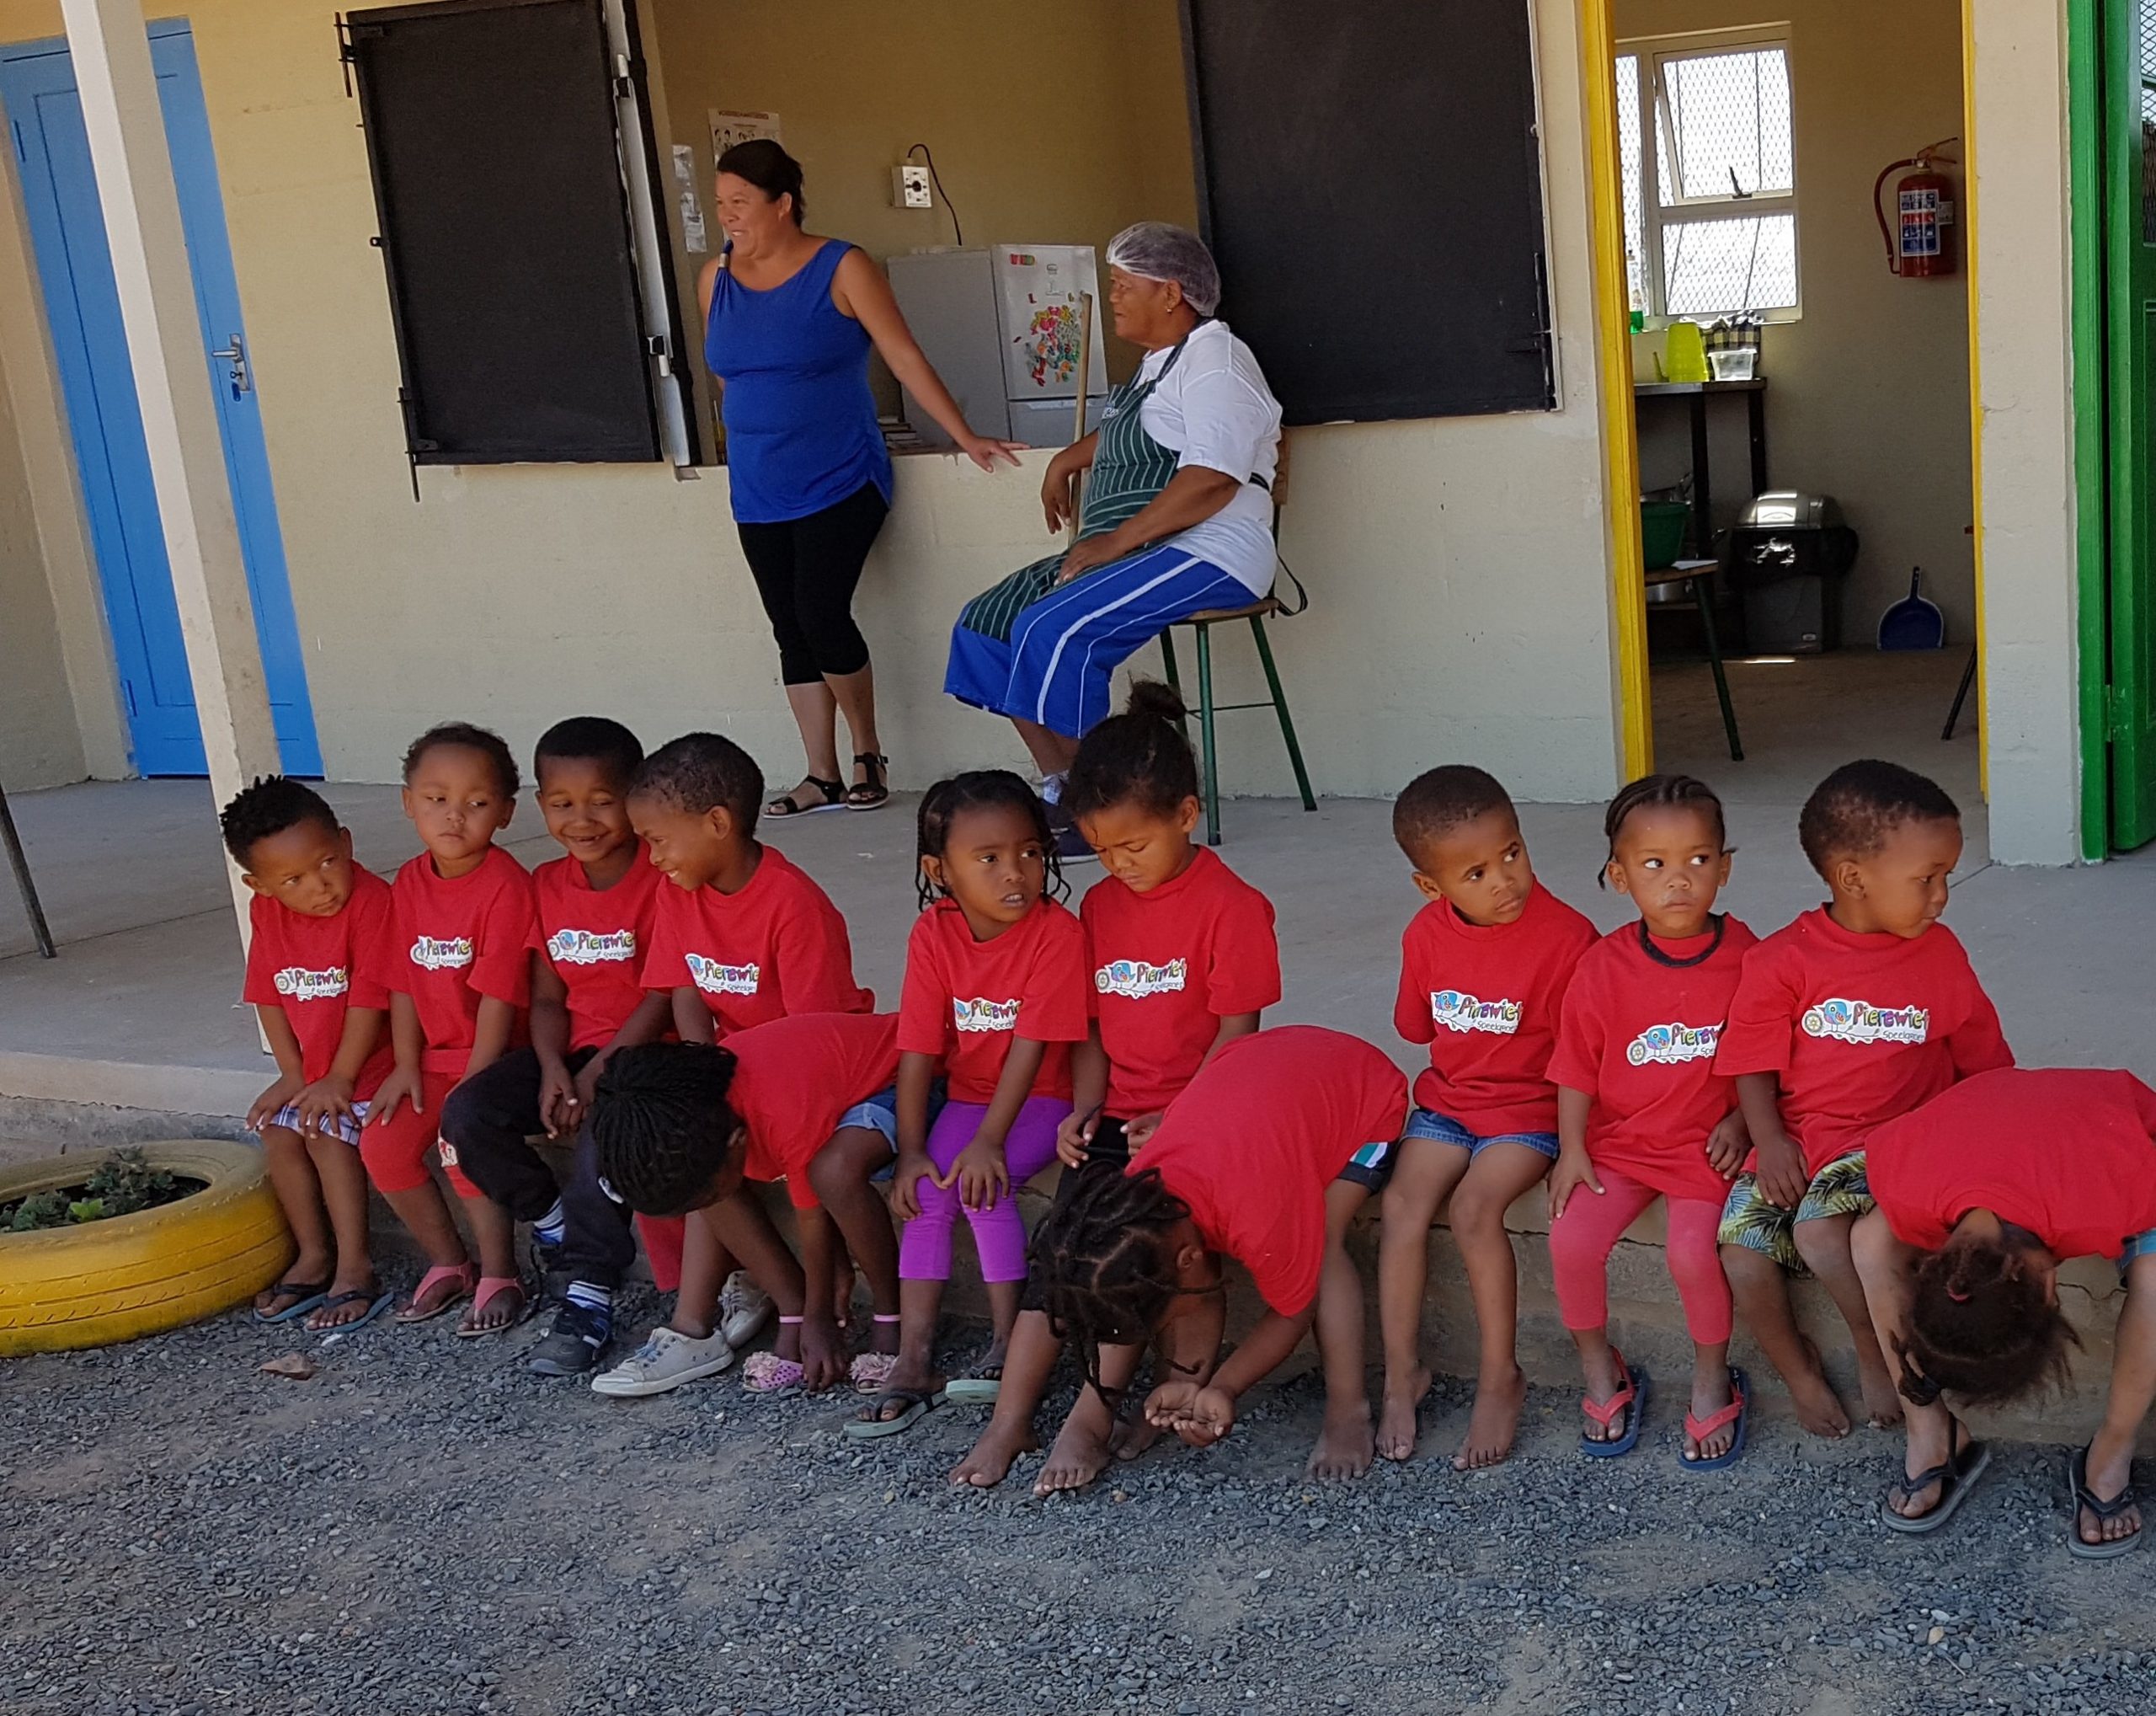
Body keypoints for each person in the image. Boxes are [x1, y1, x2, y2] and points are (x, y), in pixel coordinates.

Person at [951, 683, 1280, 1493]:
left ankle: (1091, 1415)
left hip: (1201, 1119)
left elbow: (1239, 1038)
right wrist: (1088, 1107)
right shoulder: (1099, 907)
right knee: (1059, 1248)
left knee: (1139, 1251)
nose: (1118, 863)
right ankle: (1010, 1418)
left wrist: (1178, 1115)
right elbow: (1092, 1029)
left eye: (1134, 844)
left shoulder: (1232, 908)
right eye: (1102, 848)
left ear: (1187, 814)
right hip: (1121, 1117)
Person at [702, 139, 1021, 822]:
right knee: (789, 625)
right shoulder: (715, 280)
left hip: (840, 475)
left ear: (782, 204)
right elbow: (731, 375)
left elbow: (902, 356)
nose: (726, 216)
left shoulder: (840, 266)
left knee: (821, 611)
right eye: (719, 203)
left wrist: (964, 436)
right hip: (758, 485)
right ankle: (818, 773)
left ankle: (867, 753)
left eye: (739, 203)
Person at [943, 222, 1283, 857]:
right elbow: (1142, 430)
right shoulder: (1162, 364)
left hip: (1211, 550)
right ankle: (1067, 788)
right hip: (1150, 545)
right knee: (989, 622)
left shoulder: (1217, 360)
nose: (1114, 296)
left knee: (1059, 629)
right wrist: (1065, 460)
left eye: (1124, 285)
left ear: (1172, 293)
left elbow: (1211, 479)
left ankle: (1109, 808)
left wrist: (1115, 542)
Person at [1714, 759, 2013, 1439]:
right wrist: (1770, 1140)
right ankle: (1800, 1372)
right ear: (1853, 878)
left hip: (1894, 1142)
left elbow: (1984, 1064)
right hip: (1801, 1139)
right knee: (1740, 1255)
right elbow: (1751, 1064)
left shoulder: (1939, 956)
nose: (1942, 894)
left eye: (1946, 874)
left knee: (1820, 1231)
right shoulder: (1784, 960)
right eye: (1926, 878)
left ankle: (1874, 1348)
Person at [591, 730, 874, 1398]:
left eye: (657, 838)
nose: (649, 855)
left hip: (809, 1073)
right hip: (736, 1068)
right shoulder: (681, 889)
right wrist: (702, 1074)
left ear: (717, 823)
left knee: (695, 1143)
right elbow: (685, 986)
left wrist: (719, 1088)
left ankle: (699, 1324)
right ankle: (756, 1300)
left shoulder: (792, 905)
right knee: (676, 1130)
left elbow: (811, 1042)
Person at [1029, 1025, 1407, 1482]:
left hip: (1360, 1089)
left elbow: (1294, 1307)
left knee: (1322, 1246)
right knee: (1159, 1279)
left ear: (1190, 1258)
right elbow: (1170, 1285)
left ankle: (1349, 1408)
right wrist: (1190, 1386)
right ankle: (1124, 1406)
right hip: (1263, 1071)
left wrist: (1226, 1386)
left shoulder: (1257, 1220)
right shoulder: (1141, 1198)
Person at [849, 772, 1088, 1439]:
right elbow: (919, 1048)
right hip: (971, 1096)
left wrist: (989, 1140)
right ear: (940, 870)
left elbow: (1033, 1049)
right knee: (929, 1194)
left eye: (1031, 852)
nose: (1016, 872)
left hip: (1040, 1095)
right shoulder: (933, 933)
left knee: (986, 1187)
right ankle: (915, 1357)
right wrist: (913, 1147)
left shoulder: (1055, 934)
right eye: (988, 859)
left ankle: (1012, 1343)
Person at [1377, 766, 1598, 1470]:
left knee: (1474, 1206)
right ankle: (1399, 1374)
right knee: (1405, 1203)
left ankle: (1500, 1374)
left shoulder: (1569, 938)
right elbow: (1415, 1027)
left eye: (1512, 852)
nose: (1505, 879)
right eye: (1475, 872)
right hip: (1448, 1103)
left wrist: (1571, 1144)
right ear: (1431, 887)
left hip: (1527, 1114)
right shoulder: (1425, 934)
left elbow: (1582, 1059)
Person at [438, 719, 674, 1377]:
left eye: (602, 798)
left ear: (635, 794)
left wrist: (597, 1072)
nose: (582, 818)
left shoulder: (662, 877)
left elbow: (661, 995)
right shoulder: (547, 884)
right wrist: (550, 1068)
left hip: (646, 1053)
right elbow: (546, 998)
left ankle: (590, 1291)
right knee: (467, 1112)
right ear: (540, 805)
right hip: (572, 1050)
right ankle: (549, 1219)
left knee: (606, 1132)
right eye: (562, 803)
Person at [1853, 1066, 2156, 1553]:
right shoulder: (1902, 1186)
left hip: (2121, 1124)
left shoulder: (2116, 1200)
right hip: (1990, 1112)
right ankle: (1928, 1427)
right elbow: (1898, 1135)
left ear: (2050, 1287)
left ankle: (2114, 1447)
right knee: (1869, 1241)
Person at [1545, 775, 1754, 1465]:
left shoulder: (1750, 956)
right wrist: (1572, 1148)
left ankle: (1710, 1378)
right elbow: (1576, 1064)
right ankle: (1601, 1370)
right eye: (1654, 863)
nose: (1679, 880)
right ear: (1619, 875)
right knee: (1572, 1241)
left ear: (1725, 867)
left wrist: (1747, 1123)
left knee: (1692, 1254)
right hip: (1619, 1145)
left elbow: (1769, 1054)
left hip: (1702, 1149)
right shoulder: (1602, 967)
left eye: (1699, 859)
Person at [589, 1015, 908, 1394]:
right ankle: (791, 1308)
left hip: (903, 1079)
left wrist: (819, 1315)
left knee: (833, 1172)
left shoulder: (779, 1111)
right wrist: (807, 1312)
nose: (699, 1212)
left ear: (737, 1142)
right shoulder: (697, 1116)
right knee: (707, 1185)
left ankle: (892, 1318)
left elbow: (814, 1218)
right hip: (825, 1098)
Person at [361, 724, 540, 1333]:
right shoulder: (408, 883)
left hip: (492, 1057)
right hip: (432, 1058)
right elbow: (404, 980)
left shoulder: (506, 886)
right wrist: (406, 1062)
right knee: (381, 1145)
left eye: (477, 802)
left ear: (507, 812)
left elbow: (496, 997)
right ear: (408, 802)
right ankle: (449, 1261)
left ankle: (500, 1270)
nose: (454, 816)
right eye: (436, 798)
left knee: (461, 1142)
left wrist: (474, 1083)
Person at [221, 777, 397, 1333]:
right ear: (261, 884)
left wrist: (338, 1077)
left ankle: (355, 1266)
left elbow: (371, 999)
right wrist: (292, 1073)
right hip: (319, 1070)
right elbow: (268, 990)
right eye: (292, 879)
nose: (319, 887)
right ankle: (314, 1253)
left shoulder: (372, 902)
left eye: (325, 862)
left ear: (346, 844)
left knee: (323, 1130)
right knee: (278, 1129)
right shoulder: (267, 911)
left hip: (373, 1069)